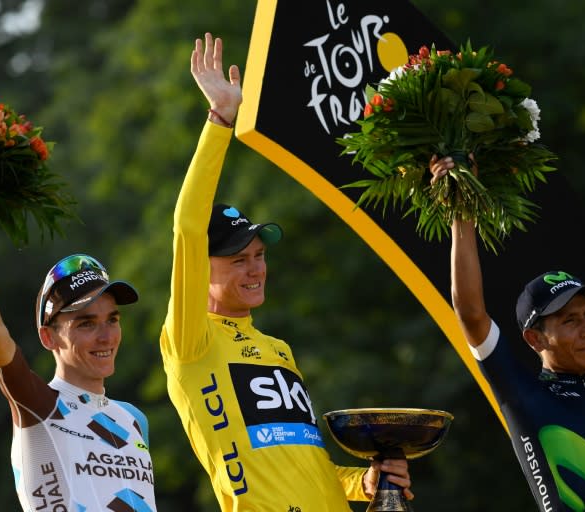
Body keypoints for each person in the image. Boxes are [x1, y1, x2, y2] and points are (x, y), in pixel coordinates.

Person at [158, 32, 413, 511]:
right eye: (238, 259)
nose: (255, 268)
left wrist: (367, 482)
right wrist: (220, 120)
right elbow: (188, 227)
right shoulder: (191, 340)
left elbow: (311, 469)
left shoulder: (278, 350)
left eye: (259, 255)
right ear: (203, 268)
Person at [430, 155, 585, 511]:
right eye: (570, 321)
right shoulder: (522, 394)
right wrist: (462, 211)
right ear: (535, 339)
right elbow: (471, 314)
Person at [0, 209, 158, 511]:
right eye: (86, 323)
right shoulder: (39, 405)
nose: (106, 336)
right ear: (48, 337)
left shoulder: (134, 419)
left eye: (112, 320)